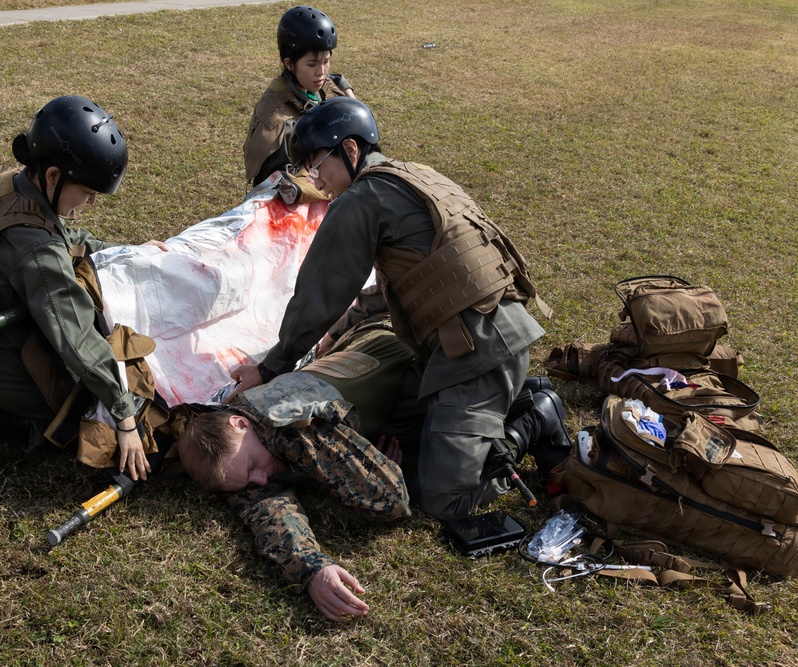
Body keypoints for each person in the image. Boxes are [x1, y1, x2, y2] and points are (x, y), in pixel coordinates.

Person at [229, 97, 573, 522]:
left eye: (319, 165)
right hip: (478, 342)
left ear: (350, 151)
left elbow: (321, 288)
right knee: (389, 427)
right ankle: (520, 393)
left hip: (476, 358)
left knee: (442, 501)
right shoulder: (409, 176)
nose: (318, 180)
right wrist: (344, 328)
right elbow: (411, 280)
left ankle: (535, 418)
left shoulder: (361, 199)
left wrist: (270, 367)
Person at [0, 95, 165, 483]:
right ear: (54, 176)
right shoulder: (36, 250)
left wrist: (127, 251)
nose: (89, 202)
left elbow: (66, 235)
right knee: (83, 407)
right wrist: (123, 417)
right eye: (87, 191)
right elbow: (78, 340)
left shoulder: (11, 183)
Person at [177, 370, 411, 621]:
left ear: (240, 423)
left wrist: (367, 474)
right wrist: (313, 569)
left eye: (253, 465)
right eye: (249, 481)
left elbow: (390, 500)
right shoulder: (240, 455)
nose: (262, 478)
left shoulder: (286, 424)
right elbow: (270, 513)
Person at [243, 5, 356, 187]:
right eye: (312, 64)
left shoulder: (310, 83)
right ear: (289, 63)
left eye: (326, 61)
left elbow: (334, 80)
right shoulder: (277, 121)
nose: (321, 72)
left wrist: (348, 94)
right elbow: (275, 185)